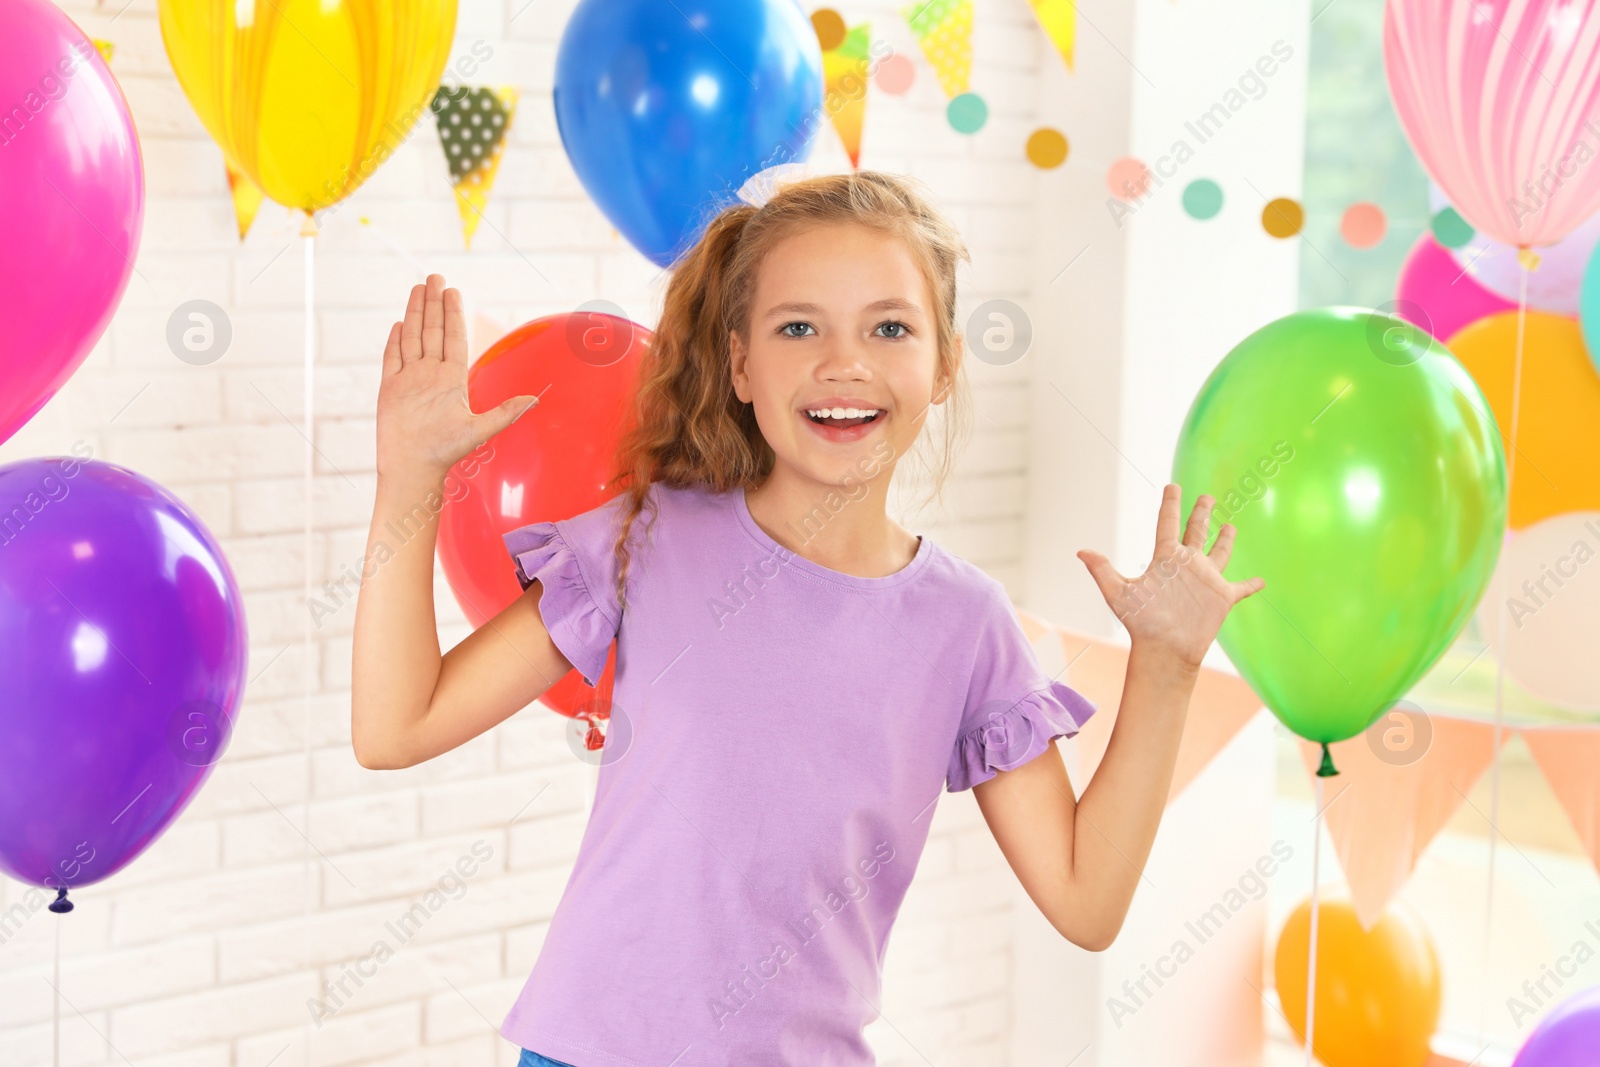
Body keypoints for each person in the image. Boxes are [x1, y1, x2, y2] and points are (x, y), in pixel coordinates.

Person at [350, 171, 1264, 1067]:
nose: (845, 362)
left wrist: (1168, 664)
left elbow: (1086, 899)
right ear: (741, 363)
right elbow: (398, 726)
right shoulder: (648, 537)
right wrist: (410, 480)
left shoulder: (966, 625)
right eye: (799, 326)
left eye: (890, 327)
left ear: (944, 363)